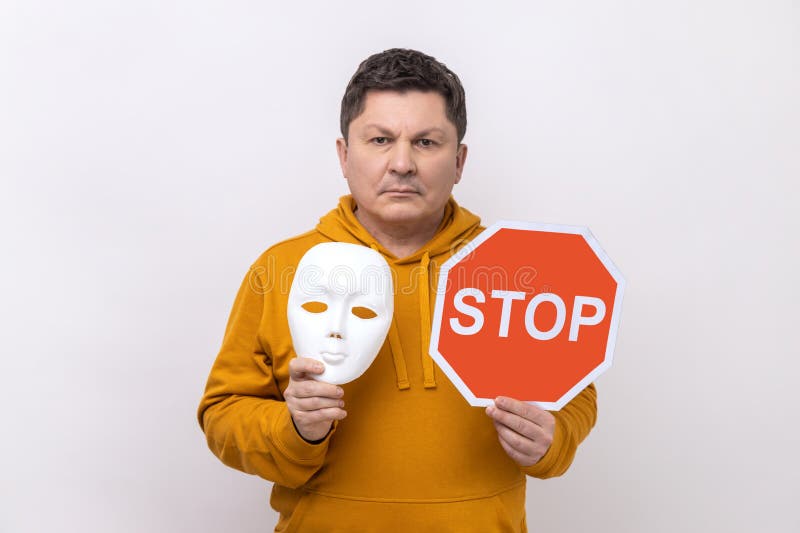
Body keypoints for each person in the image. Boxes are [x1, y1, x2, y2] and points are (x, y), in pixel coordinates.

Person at [197, 48, 597, 532]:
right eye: (380, 139)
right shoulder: (281, 269)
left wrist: (554, 440)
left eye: (426, 142)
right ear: (345, 155)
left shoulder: (520, 270)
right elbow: (223, 413)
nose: (402, 163)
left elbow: (575, 391)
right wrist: (294, 429)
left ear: (459, 159)